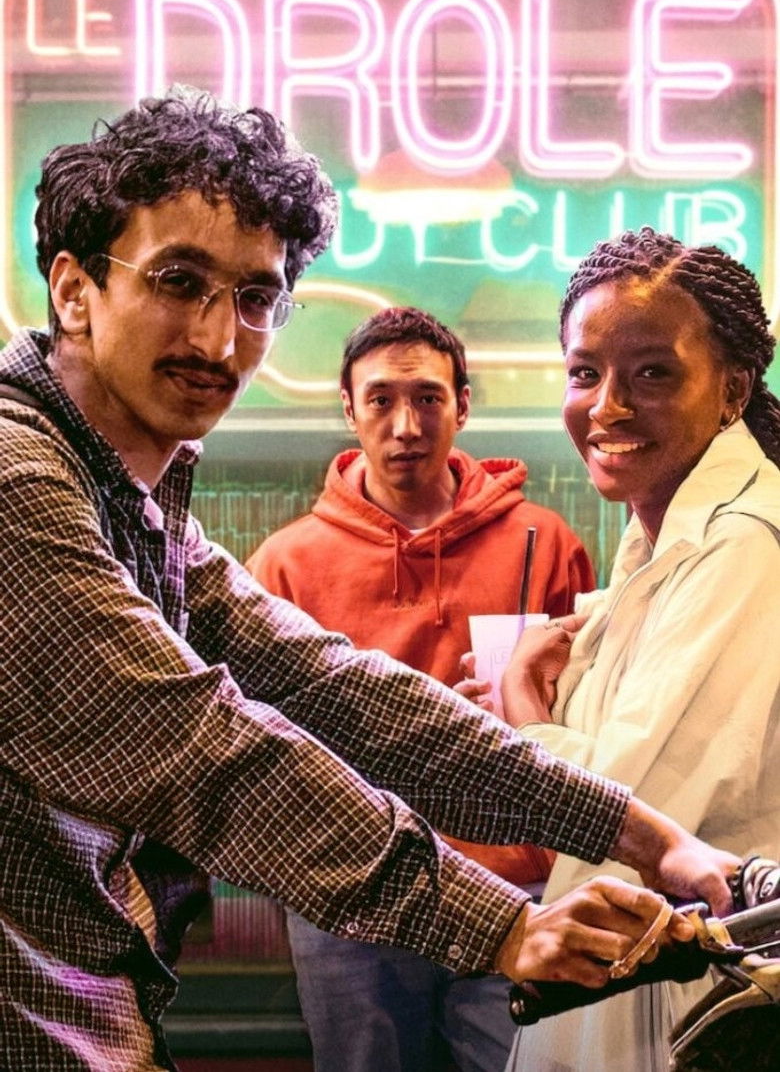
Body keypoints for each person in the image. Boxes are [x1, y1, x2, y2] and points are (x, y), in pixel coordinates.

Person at [0, 90, 736, 1072]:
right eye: (179, 281)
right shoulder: (16, 478)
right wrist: (503, 927)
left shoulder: (134, 505)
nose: (218, 340)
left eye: (254, 297)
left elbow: (340, 691)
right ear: (73, 290)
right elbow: (195, 745)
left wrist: (644, 834)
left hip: (85, 1008)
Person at [245, 306, 595, 1072]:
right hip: (354, 900)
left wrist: (521, 701)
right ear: (349, 409)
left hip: (516, 883)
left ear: (462, 405)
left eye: (428, 398)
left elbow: (592, 721)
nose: (406, 425)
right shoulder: (285, 564)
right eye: (381, 399)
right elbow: (261, 746)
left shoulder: (545, 543)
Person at [497, 226, 780, 1072]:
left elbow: (630, 806)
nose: (607, 406)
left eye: (652, 373)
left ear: (732, 390)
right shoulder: (660, 538)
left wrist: (521, 707)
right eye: (585, 373)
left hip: (709, 994)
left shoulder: (744, 544)